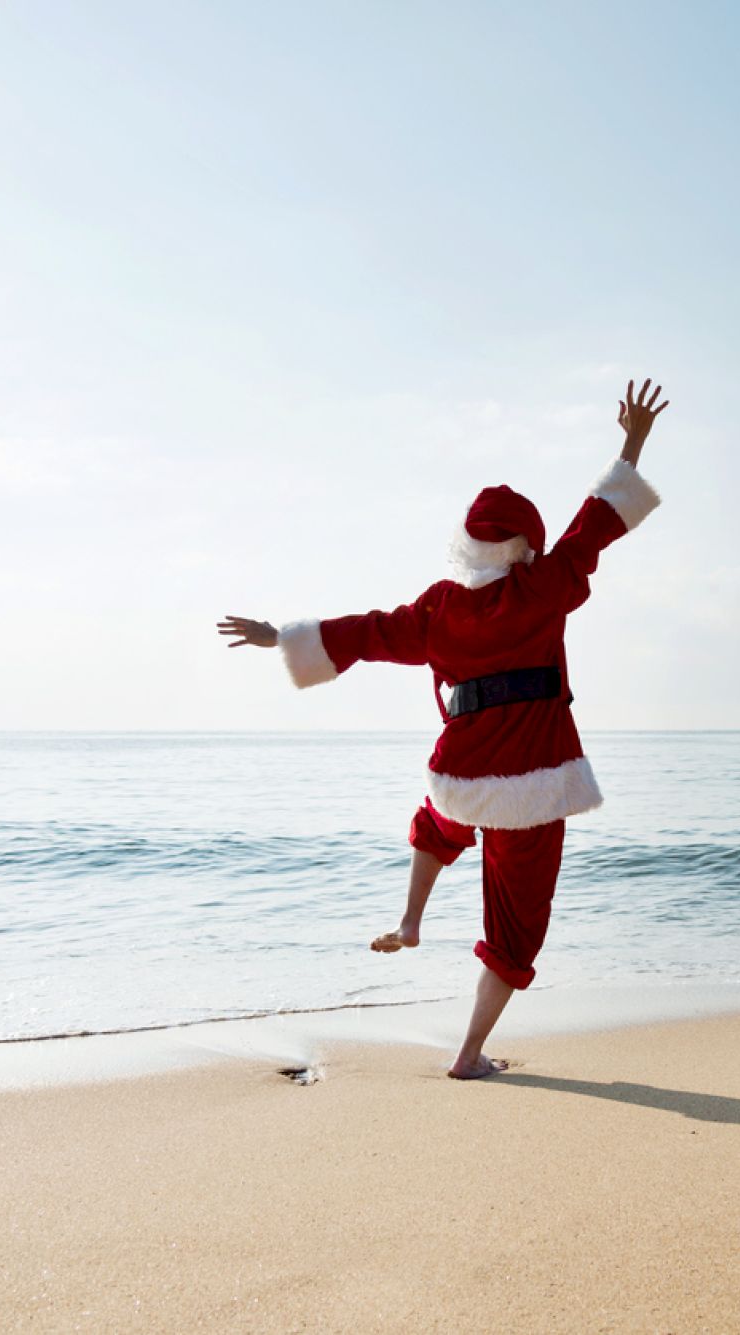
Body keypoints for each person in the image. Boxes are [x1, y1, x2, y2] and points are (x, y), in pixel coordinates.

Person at [217, 378, 669, 1078]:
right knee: (515, 928)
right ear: (523, 547)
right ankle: (467, 1054)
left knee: (438, 822)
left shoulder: (438, 609)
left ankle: (410, 918)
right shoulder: (541, 587)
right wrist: (633, 439)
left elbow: (366, 632)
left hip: (461, 777)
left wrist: (283, 635)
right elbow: (595, 524)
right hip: (535, 785)